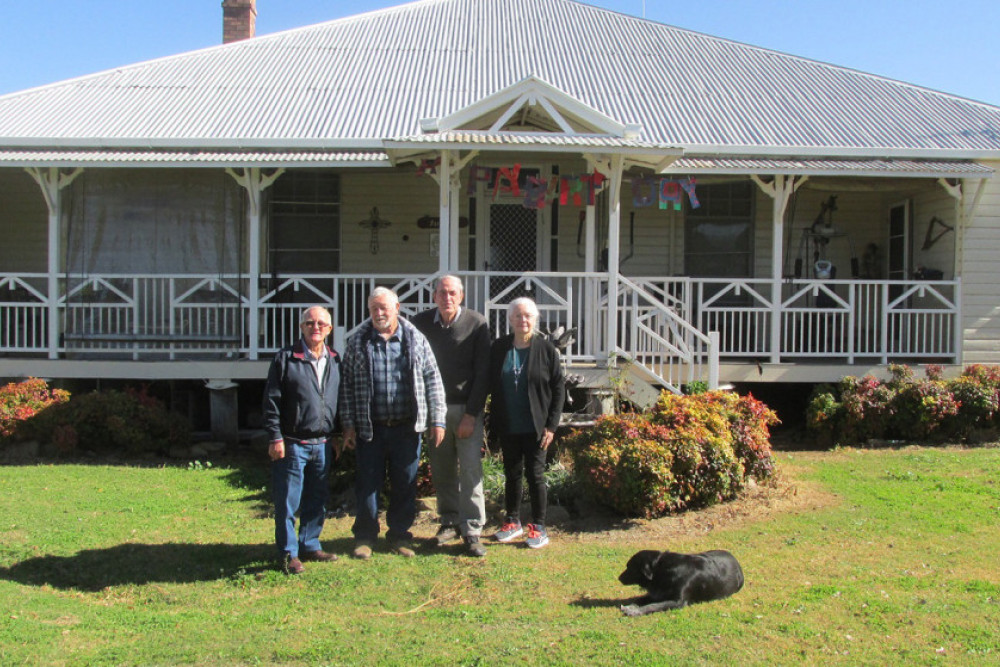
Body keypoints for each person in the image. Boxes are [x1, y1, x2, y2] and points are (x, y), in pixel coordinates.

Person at [340, 287, 446, 559]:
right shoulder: (357, 342)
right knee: (367, 484)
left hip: (406, 428)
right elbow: (347, 387)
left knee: (405, 483)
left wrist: (438, 421)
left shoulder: (415, 339)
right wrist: (348, 425)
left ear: (397, 308)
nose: (378, 313)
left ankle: (400, 535)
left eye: (383, 308)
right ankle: (365, 536)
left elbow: (433, 380)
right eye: (373, 308)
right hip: (370, 428)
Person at [411, 275, 491, 557]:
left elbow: (483, 372)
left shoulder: (477, 323)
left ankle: (471, 530)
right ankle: (448, 522)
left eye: (452, 293)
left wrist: (471, 413)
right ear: (434, 296)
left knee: (470, 470)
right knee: (442, 469)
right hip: (436, 410)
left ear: (461, 296)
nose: (447, 297)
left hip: (465, 407)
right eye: (442, 292)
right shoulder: (420, 324)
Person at [262, 305, 341, 574]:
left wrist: (340, 434)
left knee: (316, 499)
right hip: (292, 442)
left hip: (323, 443)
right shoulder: (286, 358)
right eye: (310, 323)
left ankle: (310, 543)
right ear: (301, 327)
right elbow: (272, 401)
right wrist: (275, 437)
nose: (315, 327)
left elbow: (338, 401)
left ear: (329, 329)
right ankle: (289, 553)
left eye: (321, 324)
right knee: (287, 502)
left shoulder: (334, 359)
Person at [488, 297, 565, 549]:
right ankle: (512, 521)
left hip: (536, 427)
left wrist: (552, 426)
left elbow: (558, 388)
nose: (523, 320)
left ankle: (539, 526)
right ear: (510, 319)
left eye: (528, 316)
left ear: (535, 319)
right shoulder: (499, 348)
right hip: (509, 424)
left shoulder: (545, 350)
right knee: (511, 474)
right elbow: (489, 382)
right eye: (518, 315)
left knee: (535, 475)